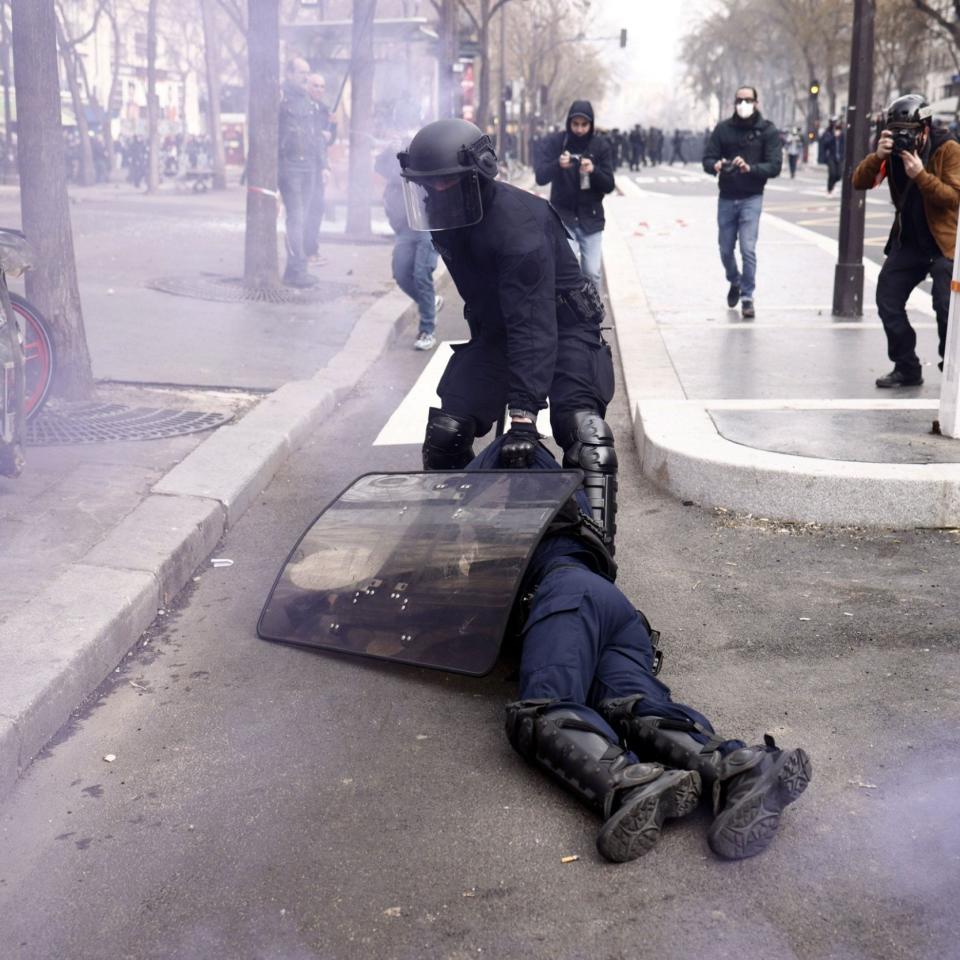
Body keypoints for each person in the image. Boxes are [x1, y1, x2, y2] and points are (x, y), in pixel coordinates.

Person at [463, 435, 812, 863]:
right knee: (630, 704)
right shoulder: (573, 508)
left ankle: (629, 782)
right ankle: (738, 768)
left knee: (545, 709)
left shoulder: (528, 506)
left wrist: (509, 442)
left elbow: (484, 476)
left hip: (565, 595)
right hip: (615, 612)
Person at [398, 118, 619, 548]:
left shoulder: (519, 227)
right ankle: (447, 540)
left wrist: (522, 418)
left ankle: (597, 546)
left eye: (446, 184)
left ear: (478, 174)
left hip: (565, 326)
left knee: (587, 434)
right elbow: (506, 320)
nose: (434, 194)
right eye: (427, 185)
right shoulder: (448, 216)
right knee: (447, 430)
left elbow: (533, 325)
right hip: (500, 332)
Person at [852, 93, 960, 388]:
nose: (904, 139)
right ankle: (907, 366)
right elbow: (858, 182)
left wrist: (921, 176)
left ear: (924, 129)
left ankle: (950, 365)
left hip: (943, 243)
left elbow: (952, 199)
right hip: (909, 242)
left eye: (909, 133)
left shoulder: (948, 149)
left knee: (944, 304)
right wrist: (878, 156)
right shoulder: (892, 155)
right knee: (887, 297)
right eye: (897, 132)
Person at [702, 85, 783, 319]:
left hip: (752, 197)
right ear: (734, 102)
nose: (744, 104)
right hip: (726, 197)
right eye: (740, 100)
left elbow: (775, 165)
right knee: (725, 249)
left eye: (748, 100)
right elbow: (707, 158)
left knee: (748, 248)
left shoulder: (767, 131)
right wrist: (715, 165)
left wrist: (750, 168)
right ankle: (734, 280)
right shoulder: (722, 129)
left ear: (756, 102)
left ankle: (747, 297)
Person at [533, 101, 615, 290]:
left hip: (591, 219)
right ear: (569, 123)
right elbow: (540, 177)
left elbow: (609, 185)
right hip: (563, 218)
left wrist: (593, 170)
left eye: (584, 125)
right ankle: (569, 314)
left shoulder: (600, 145)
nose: (579, 129)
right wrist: (558, 165)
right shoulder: (556, 142)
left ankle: (593, 313)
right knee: (565, 272)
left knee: (592, 272)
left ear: (591, 124)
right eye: (575, 124)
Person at [375, 135, 442, 351]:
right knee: (402, 274)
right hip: (405, 228)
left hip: (426, 226)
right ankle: (430, 303)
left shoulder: (424, 162)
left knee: (422, 274)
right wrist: (391, 145)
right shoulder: (393, 165)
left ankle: (427, 329)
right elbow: (379, 165)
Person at [278, 56, 319, 288]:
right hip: (290, 166)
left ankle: (296, 268)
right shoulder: (281, 99)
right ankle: (296, 269)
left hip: (308, 166)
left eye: (308, 72)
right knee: (296, 217)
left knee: (305, 216)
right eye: (301, 72)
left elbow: (316, 136)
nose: (306, 76)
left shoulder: (309, 103)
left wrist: (322, 165)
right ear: (289, 74)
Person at [304, 73, 332, 266]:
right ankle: (306, 251)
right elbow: (312, 139)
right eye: (315, 85)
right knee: (307, 210)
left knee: (317, 208)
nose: (319, 90)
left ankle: (311, 249)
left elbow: (327, 140)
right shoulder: (304, 108)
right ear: (307, 86)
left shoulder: (323, 109)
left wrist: (331, 130)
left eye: (322, 86)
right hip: (305, 165)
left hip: (318, 164)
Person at [819, 117, 844, 194]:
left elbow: (844, 145)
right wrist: (834, 137)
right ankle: (829, 188)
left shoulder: (842, 134)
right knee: (832, 173)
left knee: (839, 175)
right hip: (831, 157)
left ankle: (832, 184)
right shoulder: (828, 133)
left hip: (839, 157)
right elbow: (825, 143)